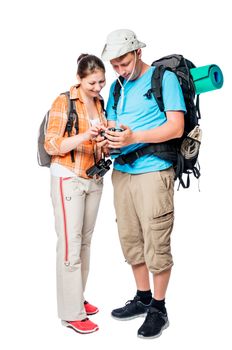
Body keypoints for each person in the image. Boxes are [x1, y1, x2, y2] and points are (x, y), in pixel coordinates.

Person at [100, 29, 186, 338]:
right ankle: (142, 297)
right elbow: (111, 122)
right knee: (131, 239)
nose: (120, 70)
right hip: (122, 172)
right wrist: (108, 137)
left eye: (123, 62)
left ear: (137, 52)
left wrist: (135, 136)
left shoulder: (164, 79)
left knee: (156, 241)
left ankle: (159, 309)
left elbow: (176, 127)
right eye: (115, 65)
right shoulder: (118, 87)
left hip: (154, 172)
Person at [44, 54, 107, 334]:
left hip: (93, 177)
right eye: (92, 82)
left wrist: (106, 140)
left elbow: (98, 142)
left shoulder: (100, 102)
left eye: (102, 81)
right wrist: (86, 136)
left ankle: (77, 296)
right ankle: (71, 313)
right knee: (70, 245)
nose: (98, 87)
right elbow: (52, 144)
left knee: (85, 243)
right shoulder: (64, 101)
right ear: (79, 79)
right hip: (68, 176)